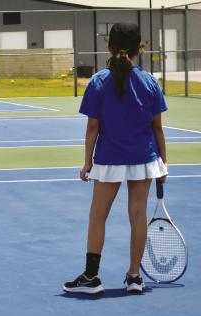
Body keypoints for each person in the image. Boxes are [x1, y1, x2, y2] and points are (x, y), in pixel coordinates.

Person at [63, 23, 168, 294]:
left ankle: (91, 277)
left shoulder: (98, 81)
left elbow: (93, 127)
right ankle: (134, 277)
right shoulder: (150, 81)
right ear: (140, 48)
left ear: (109, 46)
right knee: (138, 215)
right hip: (144, 158)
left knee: (98, 215)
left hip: (109, 159)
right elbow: (157, 128)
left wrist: (87, 161)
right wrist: (163, 163)